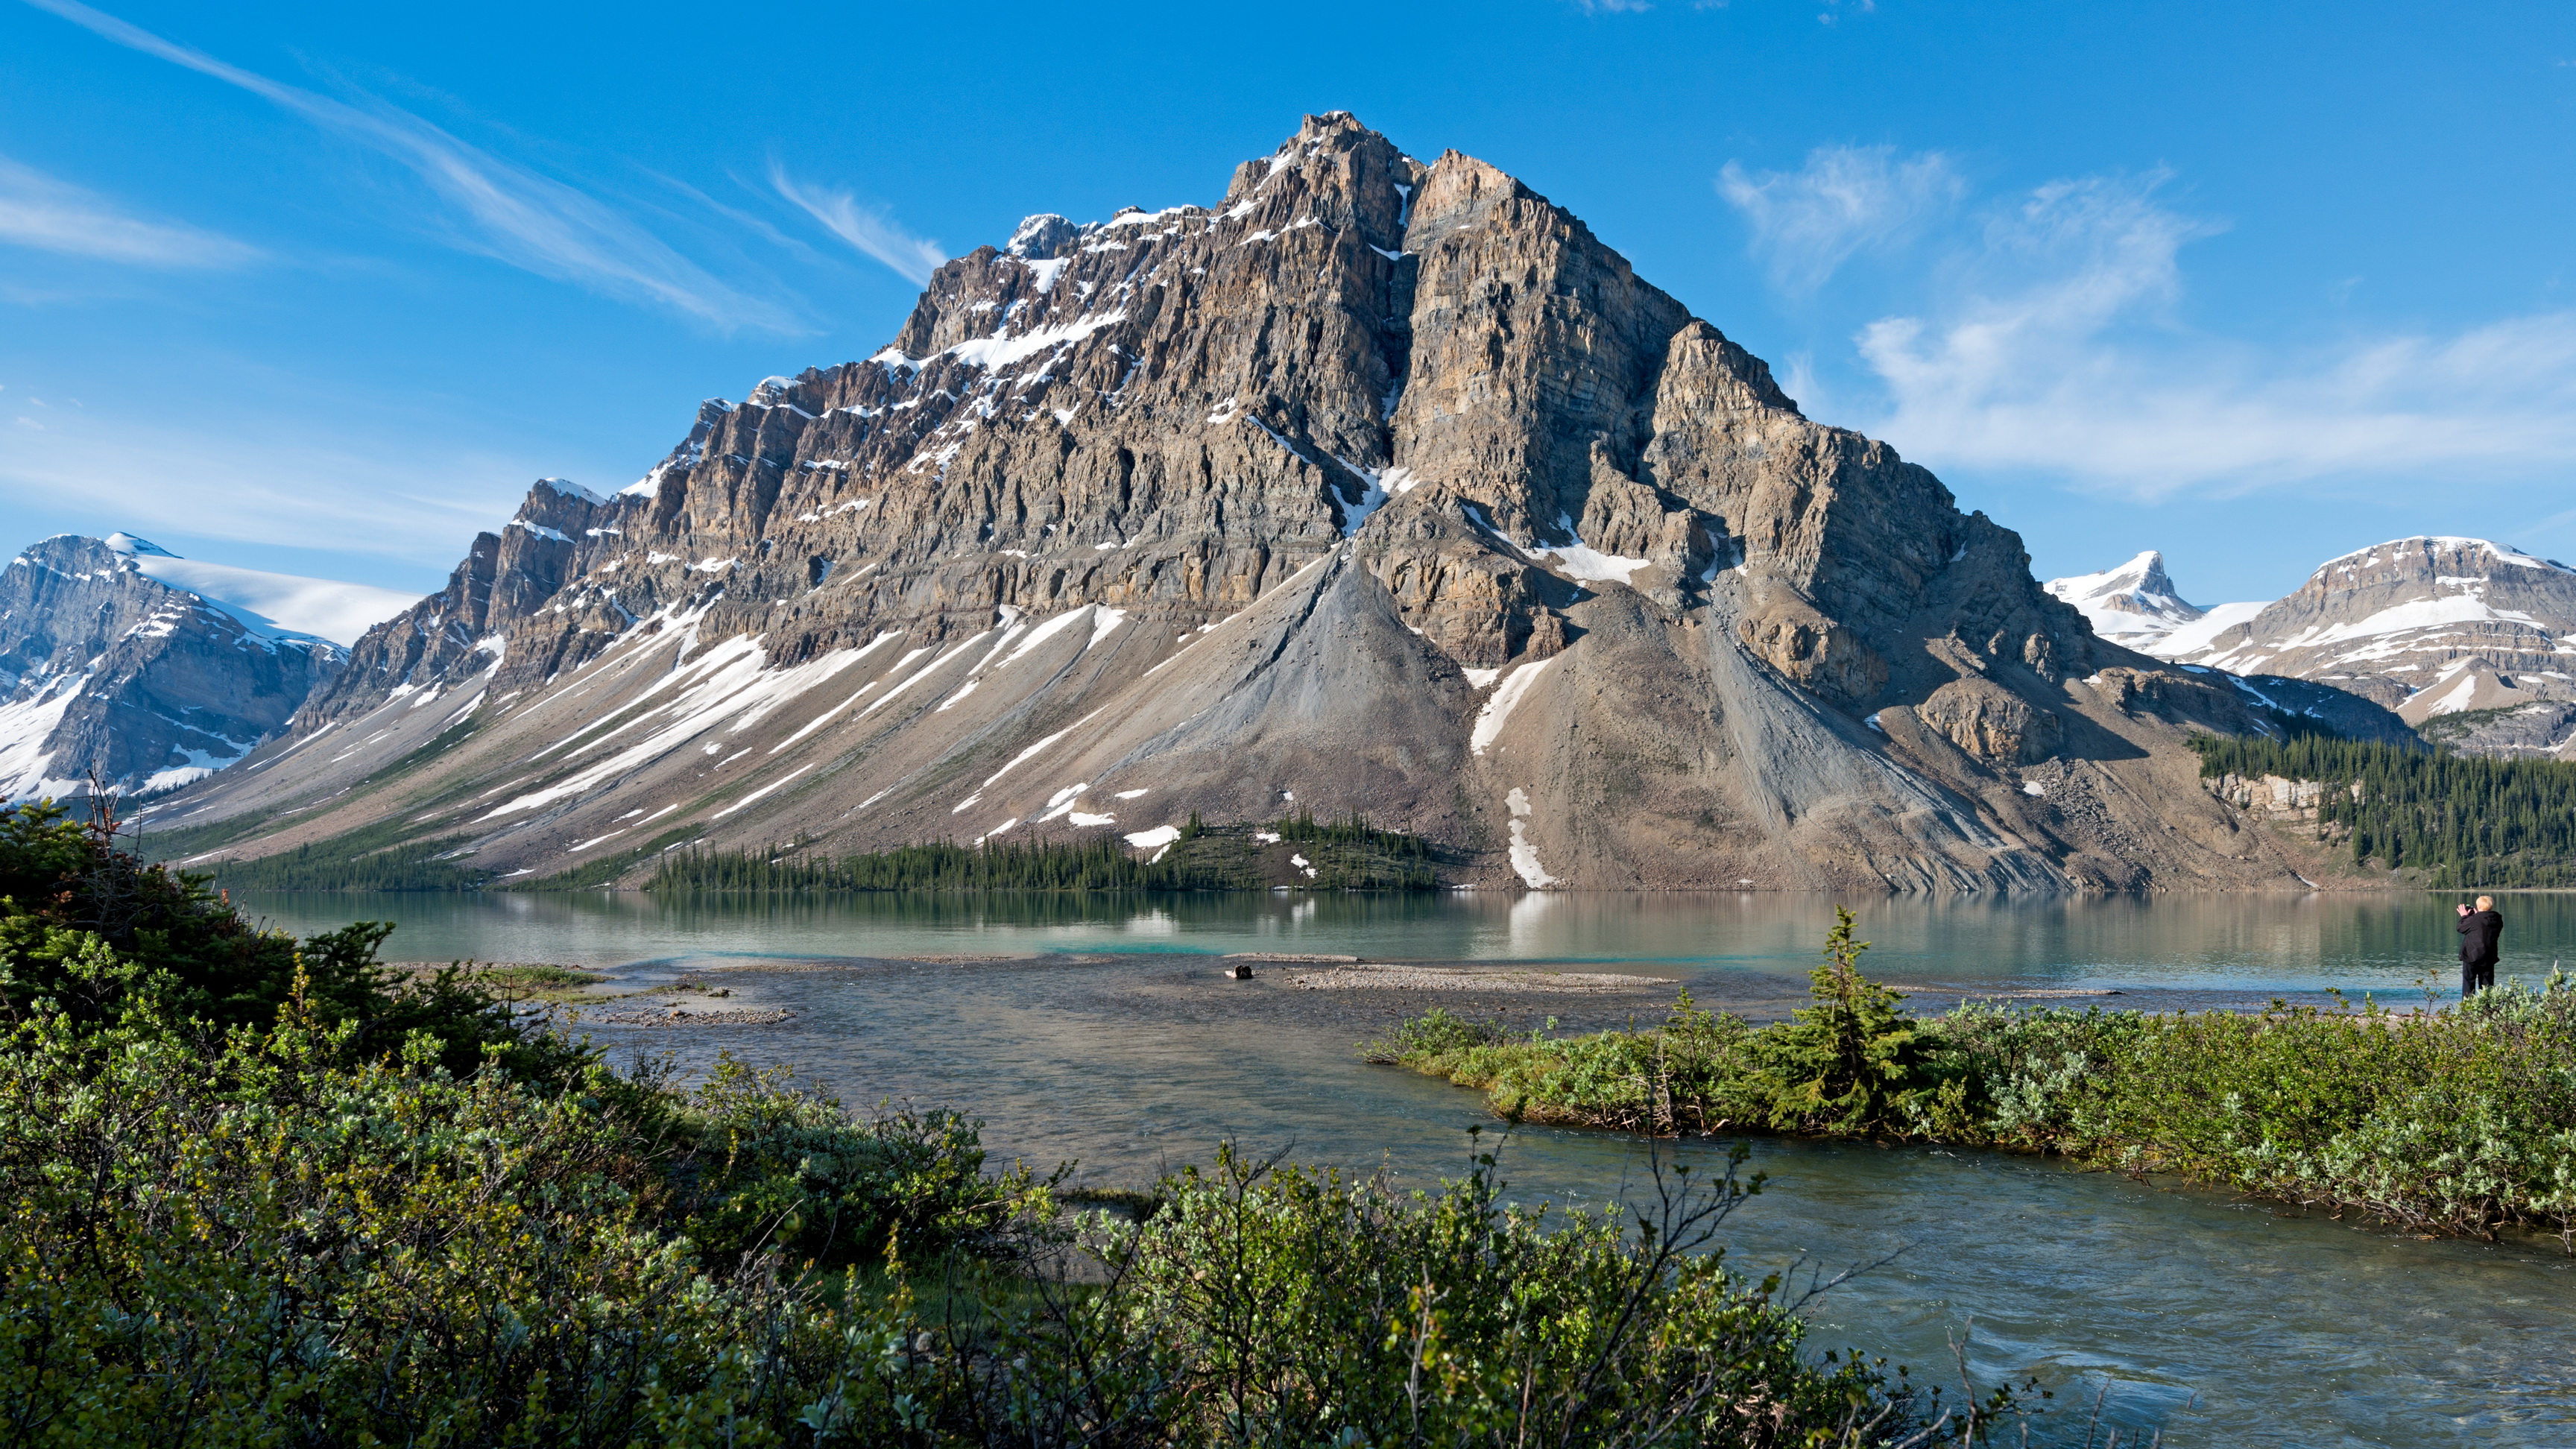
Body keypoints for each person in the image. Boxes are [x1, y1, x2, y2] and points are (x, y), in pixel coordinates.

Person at [2455, 895, 2502, 997]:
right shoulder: (2497, 919)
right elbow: (2483, 922)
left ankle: (2467, 1008)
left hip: (2471, 956)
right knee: (2487, 985)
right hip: (2489, 957)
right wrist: (2477, 915)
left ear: (2478, 906)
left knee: (2469, 984)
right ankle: (2487, 1009)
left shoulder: (2474, 920)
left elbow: (2460, 928)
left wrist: (2464, 916)